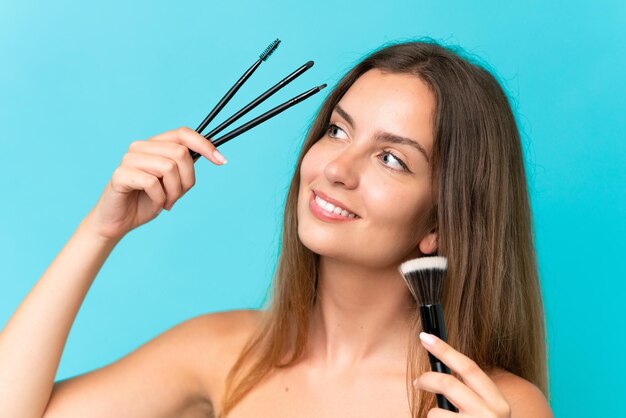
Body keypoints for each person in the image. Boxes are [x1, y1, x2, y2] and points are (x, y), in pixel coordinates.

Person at [0, 39, 553, 418]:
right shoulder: (226, 351)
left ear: (440, 224)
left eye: (391, 159)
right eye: (337, 131)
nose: (334, 169)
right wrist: (101, 231)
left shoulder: (493, 403)